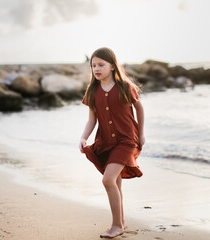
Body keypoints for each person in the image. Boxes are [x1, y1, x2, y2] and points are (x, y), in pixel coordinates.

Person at [79, 47, 145, 238]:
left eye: (101, 64)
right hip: (106, 141)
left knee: (108, 180)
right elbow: (92, 119)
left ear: (113, 66)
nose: (96, 69)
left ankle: (117, 225)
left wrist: (141, 134)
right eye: (93, 65)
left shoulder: (125, 86)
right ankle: (121, 221)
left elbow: (139, 109)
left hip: (126, 140)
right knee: (115, 182)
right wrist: (84, 137)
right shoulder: (92, 91)